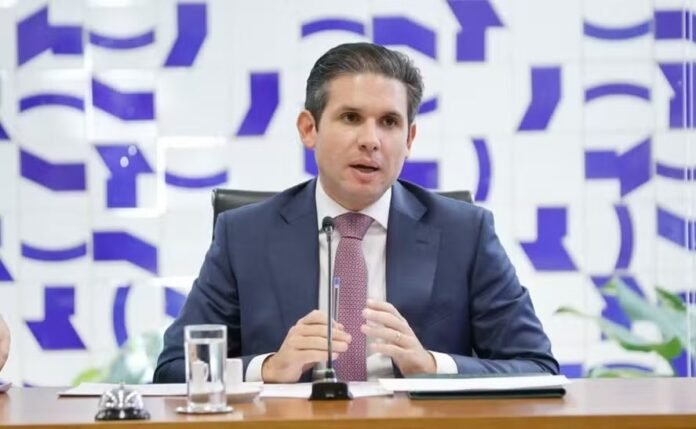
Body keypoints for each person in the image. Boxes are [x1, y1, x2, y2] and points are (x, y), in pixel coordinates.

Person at [154, 42, 558, 383]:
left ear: (409, 138)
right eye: (351, 118)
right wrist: (268, 367)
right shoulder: (244, 235)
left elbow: (537, 367)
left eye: (389, 122)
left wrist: (432, 366)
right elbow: (174, 371)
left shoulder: (465, 233)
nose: (371, 140)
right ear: (309, 128)